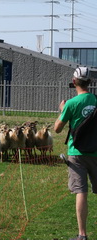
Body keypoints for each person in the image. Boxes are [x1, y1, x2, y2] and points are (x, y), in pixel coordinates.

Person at [54, 67, 97, 240]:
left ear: (74, 82)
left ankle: (82, 235)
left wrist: (62, 109)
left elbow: (57, 129)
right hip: (96, 151)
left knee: (81, 192)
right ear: (90, 82)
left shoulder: (71, 104)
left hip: (77, 152)